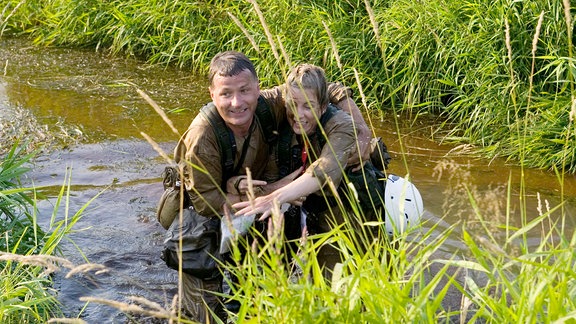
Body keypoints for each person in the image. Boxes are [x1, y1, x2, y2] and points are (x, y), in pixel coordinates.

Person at [173, 51, 370, 323]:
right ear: (211, 94)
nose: (236, 102)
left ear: (258, 88)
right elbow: (205, 202)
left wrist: (362, 131)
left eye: (245, 91)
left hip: (254, 201)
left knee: (261, 294)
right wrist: (267, 191)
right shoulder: (201, 135)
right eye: (226, 94)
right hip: (204, 214)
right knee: (202, 315)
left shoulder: (274, 101)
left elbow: (330, 88)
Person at [232, 63, 387, 275]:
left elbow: (322, 173)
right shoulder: (279, 103)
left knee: (338, 280)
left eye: (308, 107)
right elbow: (234, 103)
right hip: (307, 204)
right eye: (293, 104)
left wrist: (274, 197)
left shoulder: (342, 125)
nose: (298, 114)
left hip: (350, 211)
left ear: (323, 107)